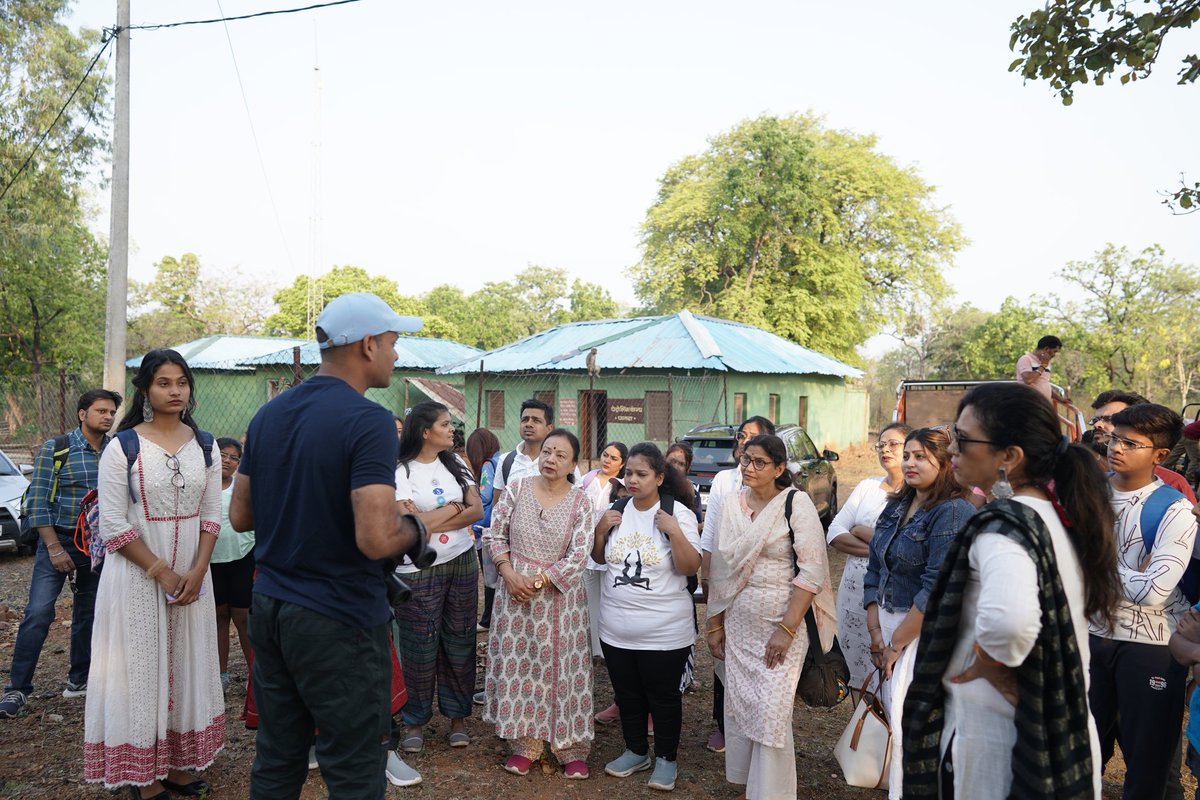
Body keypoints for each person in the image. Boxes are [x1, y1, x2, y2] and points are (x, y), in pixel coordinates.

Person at [230, 293, 430, 798]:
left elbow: (241, 515)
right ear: (368, 345)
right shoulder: (369, 421)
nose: (396, 354)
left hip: (272, 609)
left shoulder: (269, 415)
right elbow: (376, 538)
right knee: (355, 769)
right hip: (337, 617)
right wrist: (416, 529)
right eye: (392, 342)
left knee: (278, 757)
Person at [902, 382, 1120, 799]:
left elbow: (1009, 626)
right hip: (1048, 735)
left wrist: (990, 662)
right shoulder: (1055, 514)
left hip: (996, 743)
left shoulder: (1003, 529)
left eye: (962, 440)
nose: (951, 450)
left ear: (1009, 457)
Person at [83, 350, 225, 799]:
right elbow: (112, 525)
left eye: (181, 382)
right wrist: (163, 573)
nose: (175, 391)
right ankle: (143, 779)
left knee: (186, 666)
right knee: (140, 670)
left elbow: (211, 513)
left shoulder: (205, 445)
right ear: (145, 389)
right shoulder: (122, 447)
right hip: (137, 577)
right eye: (164, 382)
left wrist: (198, 570)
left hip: (193, 578)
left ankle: (177, 765)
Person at [705, 433, 834, 800]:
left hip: (783, 625)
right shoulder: (732, 504)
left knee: (772, 710)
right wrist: (715, 625)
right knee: (743, 702)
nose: (749, 468)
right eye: (745, 459)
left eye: (760, 462)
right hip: (739, 625)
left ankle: (773, 793)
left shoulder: (796, 503)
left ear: (780, 468)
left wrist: (787, 629)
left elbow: (811, 573)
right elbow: (722, 568)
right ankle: (751, 787)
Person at [1089, 403, 1197, 800]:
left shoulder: (1173, 509)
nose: (1116, 448)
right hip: (1088, 637)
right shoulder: (1088, 494)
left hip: (1151, 647)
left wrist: (1094, 560)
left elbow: (1154, 592)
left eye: (1130, 443)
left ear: (1160, 455)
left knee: (1148, 767)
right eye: (1114, 437)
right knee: (1078, 757)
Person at [862, 426, 975, 798]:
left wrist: (895, 644)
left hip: (922, 633)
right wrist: (876, 631)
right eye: (907, 455)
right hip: (888, 626)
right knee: (897, 722)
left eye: (920, 457)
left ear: (945, 463)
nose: (909, 462)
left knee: (915, 727)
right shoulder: (897, 504)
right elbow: (875, 567)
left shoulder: (953, 511)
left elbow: (935, 589)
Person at [482, 428, 595, 779]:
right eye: (547, 451)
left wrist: (541, 580)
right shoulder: (517, 489)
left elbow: (580, 553)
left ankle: (569, 747)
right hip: (514, 593)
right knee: (522, 667)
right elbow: (494, 533)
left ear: (573, 463)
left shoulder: (581, 502)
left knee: (565, 669)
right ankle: (525, 744)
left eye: (561, 455)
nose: (551, 459)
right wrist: (509, 572)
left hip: (560, 600)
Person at [0, 389, 119, 720]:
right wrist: (53, 548)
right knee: (38, 612)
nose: (108, 417)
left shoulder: (115, 451)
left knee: (89, 613)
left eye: (111, 412)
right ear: (83, 414)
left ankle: (79, 680)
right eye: (101, 411)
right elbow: (37, 501)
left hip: (98, 545)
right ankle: (17, 689)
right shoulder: (57, 449)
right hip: (59, 541)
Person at [593, 442, 701, 792]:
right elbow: (598, 560)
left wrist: (674, 531)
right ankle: (636, 750)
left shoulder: (677, 513)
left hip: (665, 631)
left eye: (642, 474)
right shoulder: (615, 510)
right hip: (616, 628)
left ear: (659, 477)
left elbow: (689, 567)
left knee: (664, 697)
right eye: (629, 474)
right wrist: (598, 531)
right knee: (627, 693)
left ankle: (666, 757)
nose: (633, 480)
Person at [394, 401, 483, 753]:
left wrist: (429, 519)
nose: (452, 430)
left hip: (461, 559)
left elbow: (476, 510)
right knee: (419, 642)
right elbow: (406, 525)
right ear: (425, 431)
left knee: (460, 638)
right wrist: (453, 509)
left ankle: (458, 717)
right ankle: (415, 719)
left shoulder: (457, 462)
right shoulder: (400, 470)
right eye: (445, 425)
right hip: (417, 567)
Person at [699, 415, 775, 753]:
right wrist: (706, 579)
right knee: (722, 652)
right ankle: (724, 724)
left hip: (763, 590)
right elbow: (710, 534)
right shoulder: (723, 481)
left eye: (754, 439)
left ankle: (759, 725)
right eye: (742, 437)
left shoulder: (784, 492)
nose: (744, 443)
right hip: (724, 581)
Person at [825, 422, 910, 688]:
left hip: (893, 597)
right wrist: (881, 550)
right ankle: (860, 727)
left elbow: (906, 548)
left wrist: (861, 530)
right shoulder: (867, 487)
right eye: (881, 444)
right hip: (853, 595)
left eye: (893, 444)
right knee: (856, 669)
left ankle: (888, 729)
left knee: (890, 669)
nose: (885, 449)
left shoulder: (918, 493)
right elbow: (835, 532)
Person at [1090, 389, 1197, 503]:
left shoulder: (1174, 488)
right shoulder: (1082, 474)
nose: (1098, 425)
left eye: (1108, 419)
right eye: (1096, 419)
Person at [211, 436, 254, 694]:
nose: (227, 460)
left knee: (244, 617)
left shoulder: (242, 486)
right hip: (210, 561)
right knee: (218, 616)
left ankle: (254, 675)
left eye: (233, 457)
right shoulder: (202, 485)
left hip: (243, 556)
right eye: (222, 454)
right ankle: (220, 676)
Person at [582, 441, 628, 663]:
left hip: (609, 550)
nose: (607, 460)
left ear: (622, 464)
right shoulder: (588, 479)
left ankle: (610, 646)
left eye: (614, 458)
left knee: (609, 599)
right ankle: (594, 649)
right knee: (590, 599)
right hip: (586, 549)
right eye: (605, 454)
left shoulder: (622, 486)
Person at [465, 427, 502, 631]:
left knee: (490, 577)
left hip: (486, 529)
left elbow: (485, 495)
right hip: (497, 527)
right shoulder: (501, 459)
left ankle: (488, 620)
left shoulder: (488, 464)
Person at [492, 398, 556, 493]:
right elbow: (498, 504)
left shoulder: (560, 461)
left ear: (549, 428)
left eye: (536, 420)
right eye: (525, 420)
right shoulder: (505, 461)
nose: (528, 424)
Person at [1015, 335, 1065, 402]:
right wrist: (1043, 366)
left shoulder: (1046, 362)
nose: (1054, 355)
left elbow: (1044, 384)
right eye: (1054, 351)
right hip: (1029, 404)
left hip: (1043, 405)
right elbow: (1028, 380)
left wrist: (1060, 399)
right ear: (1046, 349)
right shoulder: (1025, 359)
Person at [666, 441, 704, 523]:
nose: (675, 467)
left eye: (681, 464)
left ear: (688, 468)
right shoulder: (654, 486)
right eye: (672, 461)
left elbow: (697, 523)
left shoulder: (691, 491)